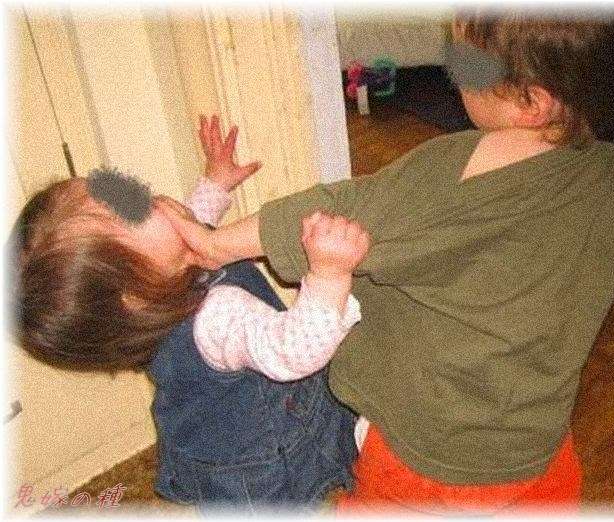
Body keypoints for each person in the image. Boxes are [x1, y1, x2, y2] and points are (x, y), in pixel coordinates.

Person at [157, 11, 614, 515]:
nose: (454, 69)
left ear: (532, 101)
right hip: (535, 457)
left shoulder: (452, 168)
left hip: (423, 460)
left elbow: (330, 213)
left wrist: (214, 245)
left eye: (467, 61)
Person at [11, 115, 370, 513]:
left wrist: (216, 182)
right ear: (135, 294)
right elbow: (294, 352)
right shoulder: (216, 316)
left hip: (235, 424)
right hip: (260, 458)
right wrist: (329, 275)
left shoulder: (163, 269)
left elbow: (191, 224)